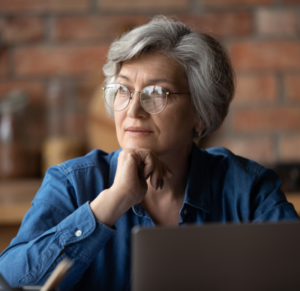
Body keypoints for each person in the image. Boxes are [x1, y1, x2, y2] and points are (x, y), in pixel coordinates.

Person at [0, 16, 298, 291]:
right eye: (123, 90)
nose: (133, 110)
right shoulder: (72, 183)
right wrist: (111, 203)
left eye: (157, 94)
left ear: (201, 113)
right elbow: (12, 280)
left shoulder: (248, 188)